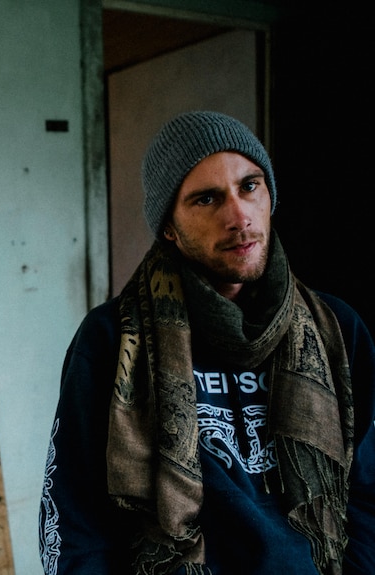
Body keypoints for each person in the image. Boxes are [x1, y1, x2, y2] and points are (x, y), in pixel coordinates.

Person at [38, 110, 375, 575]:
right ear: (169, 228)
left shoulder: (339, 328)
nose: (238, 215)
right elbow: (74, 521)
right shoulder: (110, 339)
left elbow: (367, 493)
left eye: (249, 186)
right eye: (207, 199)